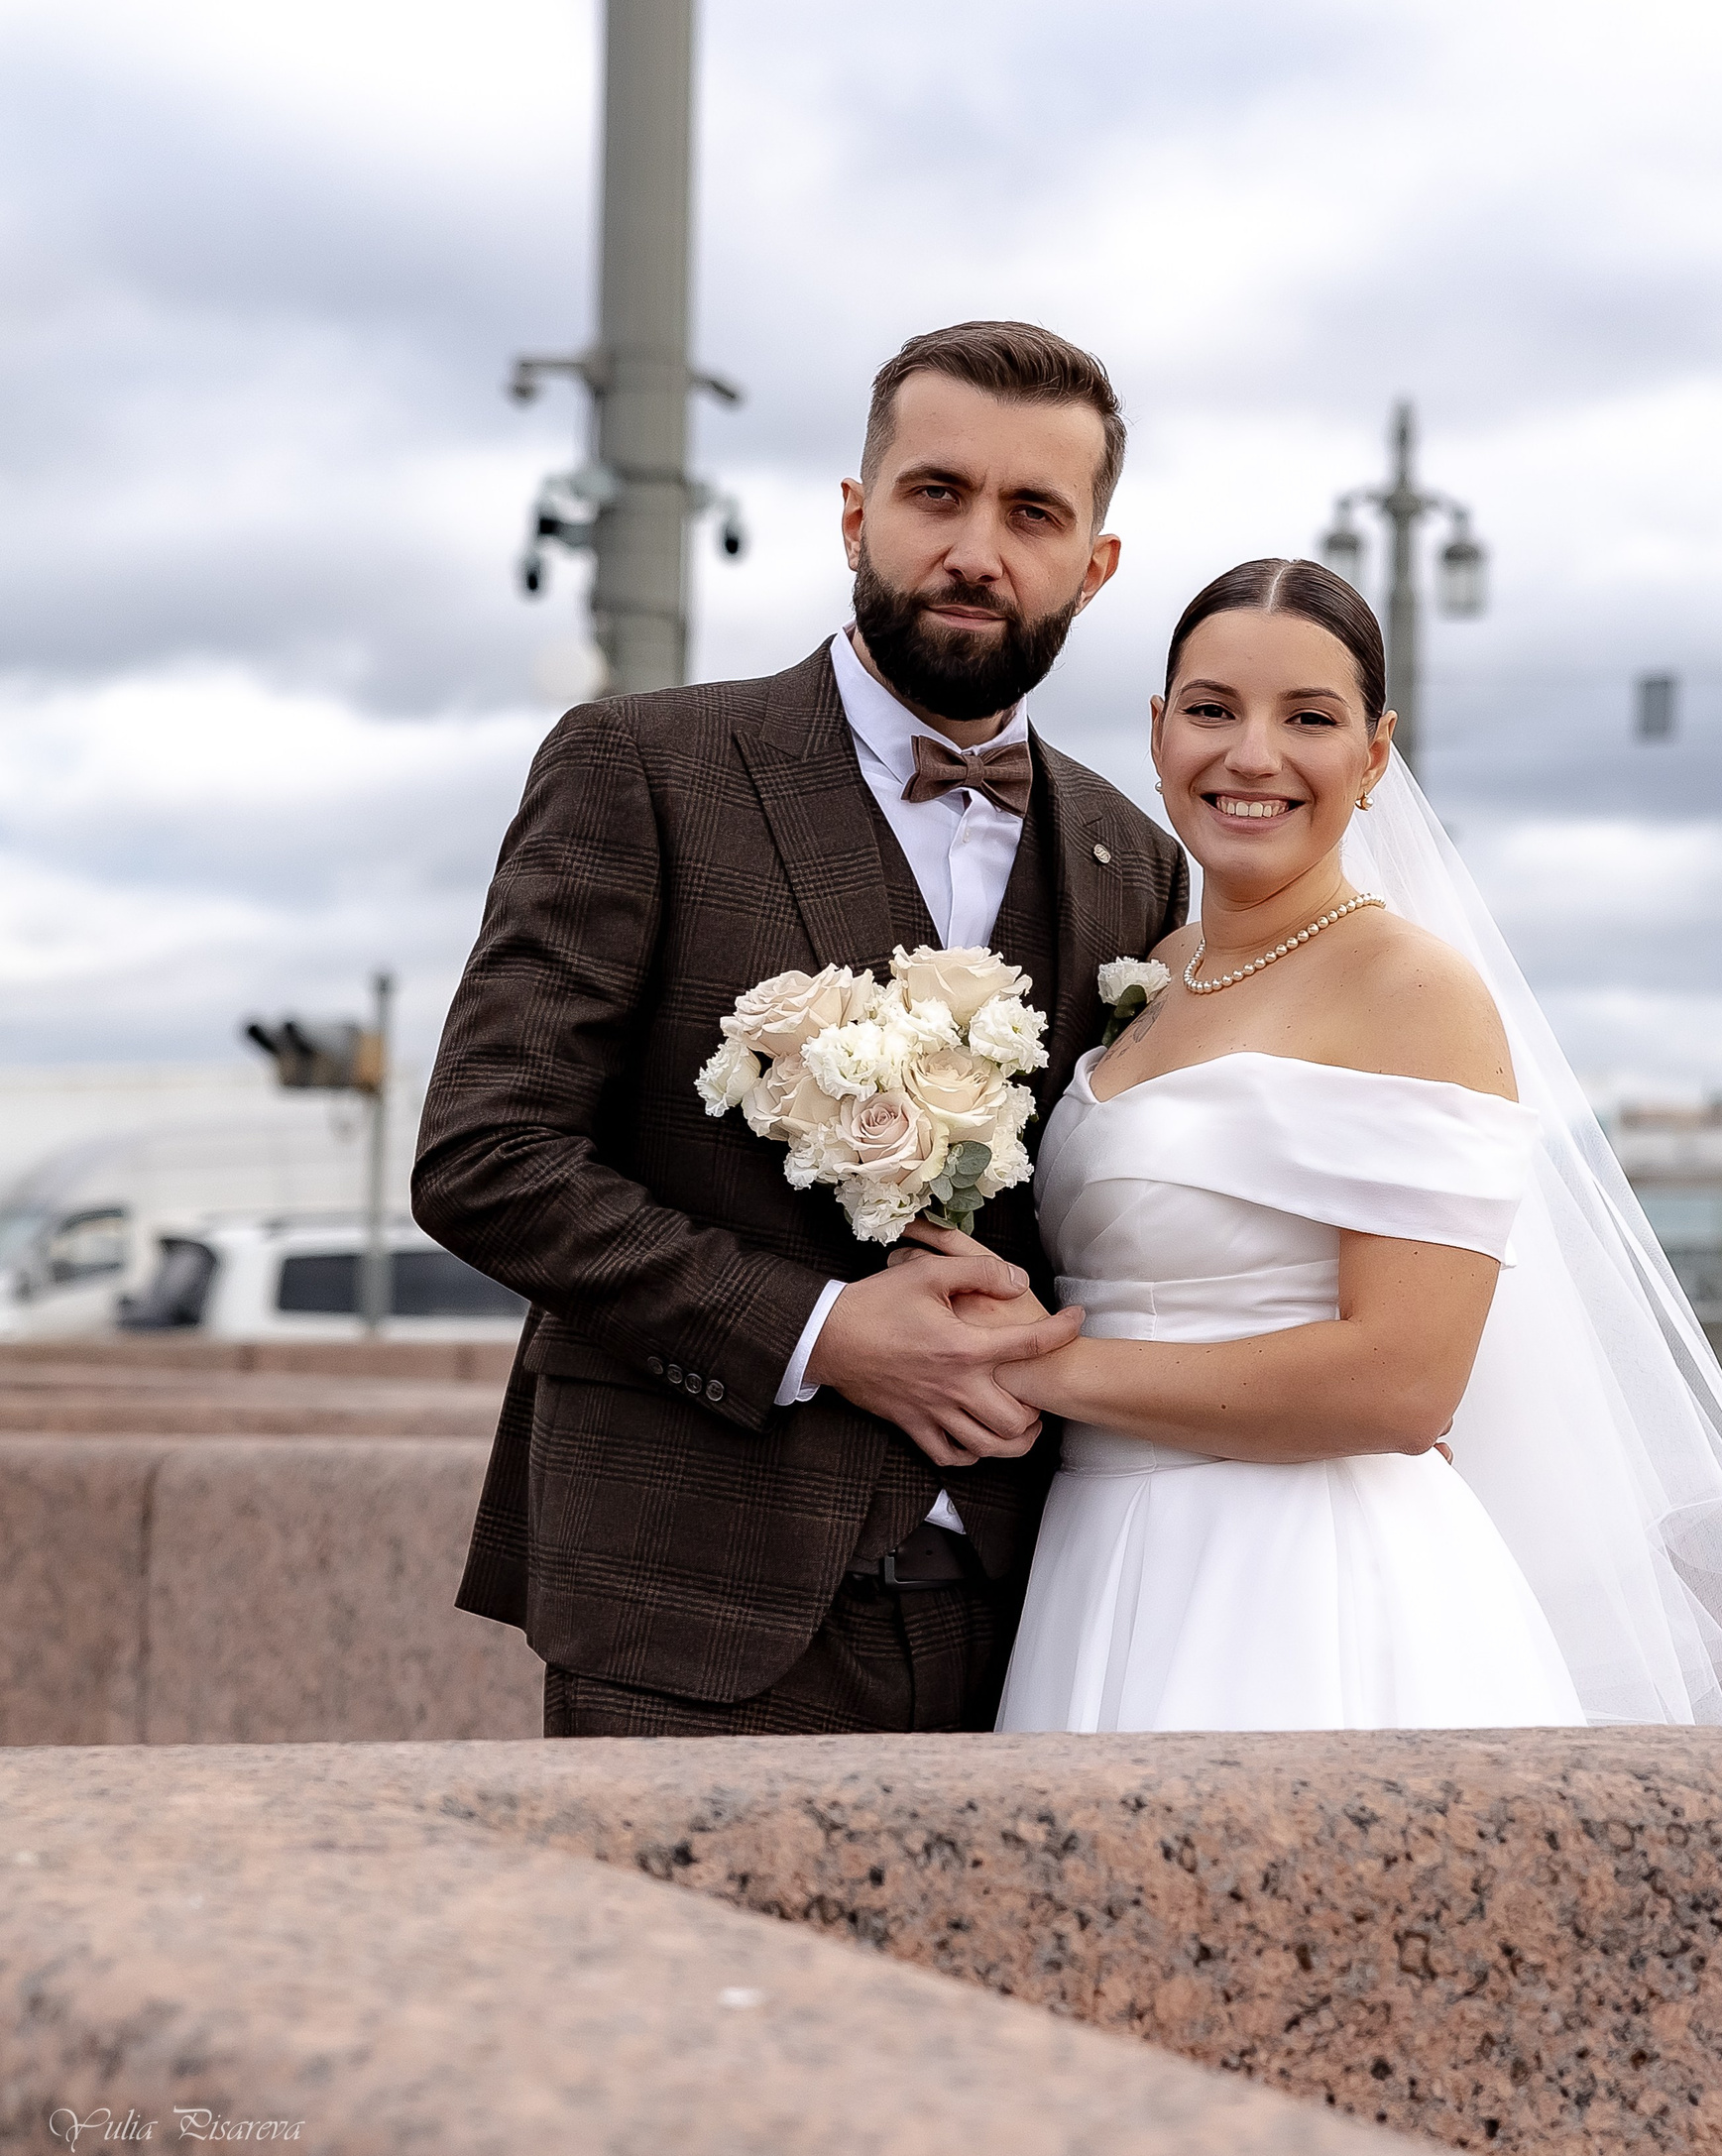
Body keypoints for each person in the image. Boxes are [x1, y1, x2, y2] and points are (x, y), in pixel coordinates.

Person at [906, 558, 1722, 1733]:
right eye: (1212, 710)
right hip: (1093, 1555)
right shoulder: (1154, 974)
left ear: (1375, 753)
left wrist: (1036, 1370)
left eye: (1309, 718)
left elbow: (1403, 1384)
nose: (1252, 755)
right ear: (1156, 734)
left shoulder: (1413, 989)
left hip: (1302, 1579)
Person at [413, 321, 1187, 1737]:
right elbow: (487, 1154)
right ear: (856, 514)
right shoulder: (641, 767)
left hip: (1044, 1625)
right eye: (936, 493)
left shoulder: (1135, 858)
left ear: (1096, 561)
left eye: (1034, 513)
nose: (977, 549)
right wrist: (823, 1329)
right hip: (687, 1601)